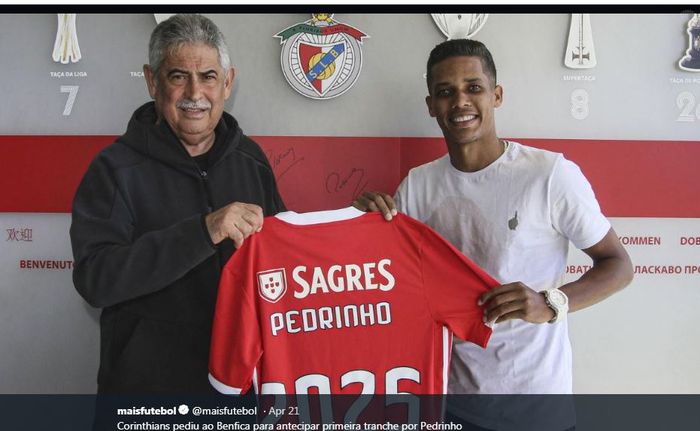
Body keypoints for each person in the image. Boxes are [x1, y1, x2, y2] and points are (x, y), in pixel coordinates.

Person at [354, 39, 633, 430]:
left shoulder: (549, 174)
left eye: (473, 87)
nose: (460, 102)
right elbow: (393, 283)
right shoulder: (418, 185)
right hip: (449, 406)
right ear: (431, 105)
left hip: (537, 413)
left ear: (496, 95)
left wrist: (551, 302)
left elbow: (619, 265)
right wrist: (362, 227)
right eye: (446, 92)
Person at [70, 14, 285, 393]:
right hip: (148, 396)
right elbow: (96, 280)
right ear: (152, 81)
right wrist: (204, 231)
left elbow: (284, 258)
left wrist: (362, 227)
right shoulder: (114, 168)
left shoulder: (251, 160)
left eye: (208, 77)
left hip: (236, 394)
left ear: (228, 83)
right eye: (178, 76)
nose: (194, 93)